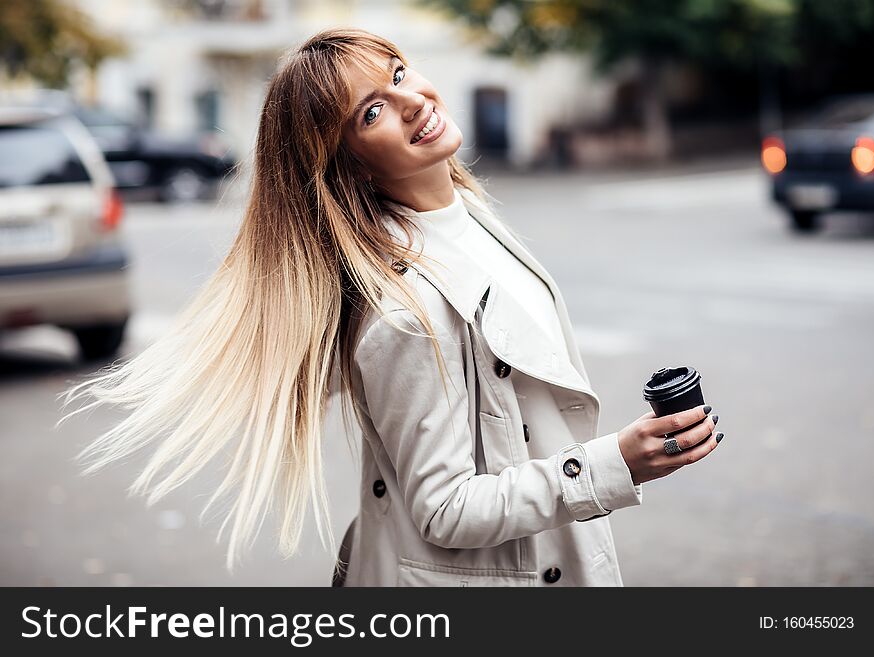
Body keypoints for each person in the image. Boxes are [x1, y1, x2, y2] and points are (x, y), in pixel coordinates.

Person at [58, 27, 722, 587]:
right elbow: (448, 509)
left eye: (399, 73)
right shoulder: (405, 313)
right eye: (371, 112)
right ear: (348, 167)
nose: (412, 101)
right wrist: (615, 463)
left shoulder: (468, 217)